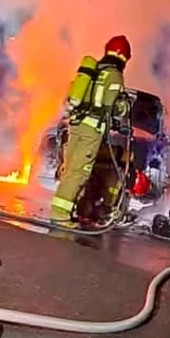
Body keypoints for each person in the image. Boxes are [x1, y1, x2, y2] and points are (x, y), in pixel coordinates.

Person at [50, 35, 131, 226]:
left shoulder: (95, 70)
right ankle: (60, 215)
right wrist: (124, 106)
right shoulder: (114, 75)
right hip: (91, 130)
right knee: (80, 172)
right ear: (124, 57)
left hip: (76, 125)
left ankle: (70, 209)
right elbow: (113, 107)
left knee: (70, 169)